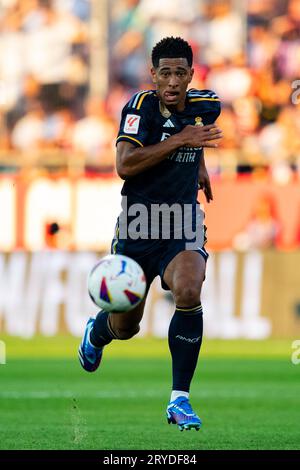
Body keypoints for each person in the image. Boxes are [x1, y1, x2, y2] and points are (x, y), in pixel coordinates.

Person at [78, 36, 222, 431]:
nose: (173, 81)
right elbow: (124, 164)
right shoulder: (139, 108)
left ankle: (180, 399)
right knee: (127, 328)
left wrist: (199, 166)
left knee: (189, 289)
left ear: (192, 74)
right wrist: (182, 142)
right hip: (139, 225)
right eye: (165, 73)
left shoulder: (208, 105)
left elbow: (196, 133)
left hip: (183, 221)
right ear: (152, 75)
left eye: (180, 73)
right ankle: (98, 331)